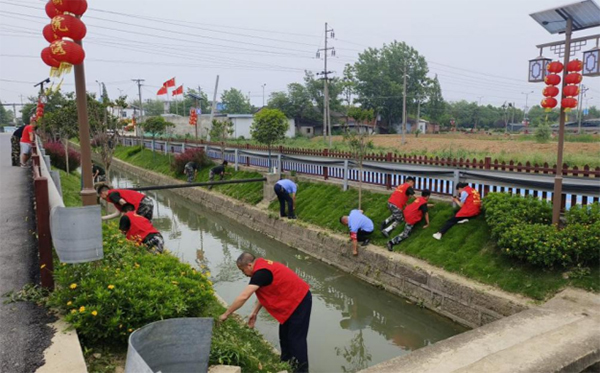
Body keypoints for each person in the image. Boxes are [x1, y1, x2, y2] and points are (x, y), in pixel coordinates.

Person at [219, 253, 312, 373]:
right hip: (290, 300)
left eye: (243, 270)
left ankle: (301, 370)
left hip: (300, 299)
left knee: (296, 339)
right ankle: (286, 364)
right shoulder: (262, 266)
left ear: (249, 265)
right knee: (284, 335)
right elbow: (266, 291)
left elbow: (244, 296)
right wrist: (254, 313)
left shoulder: (261, 273)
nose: (244, 274)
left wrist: (226, 314)